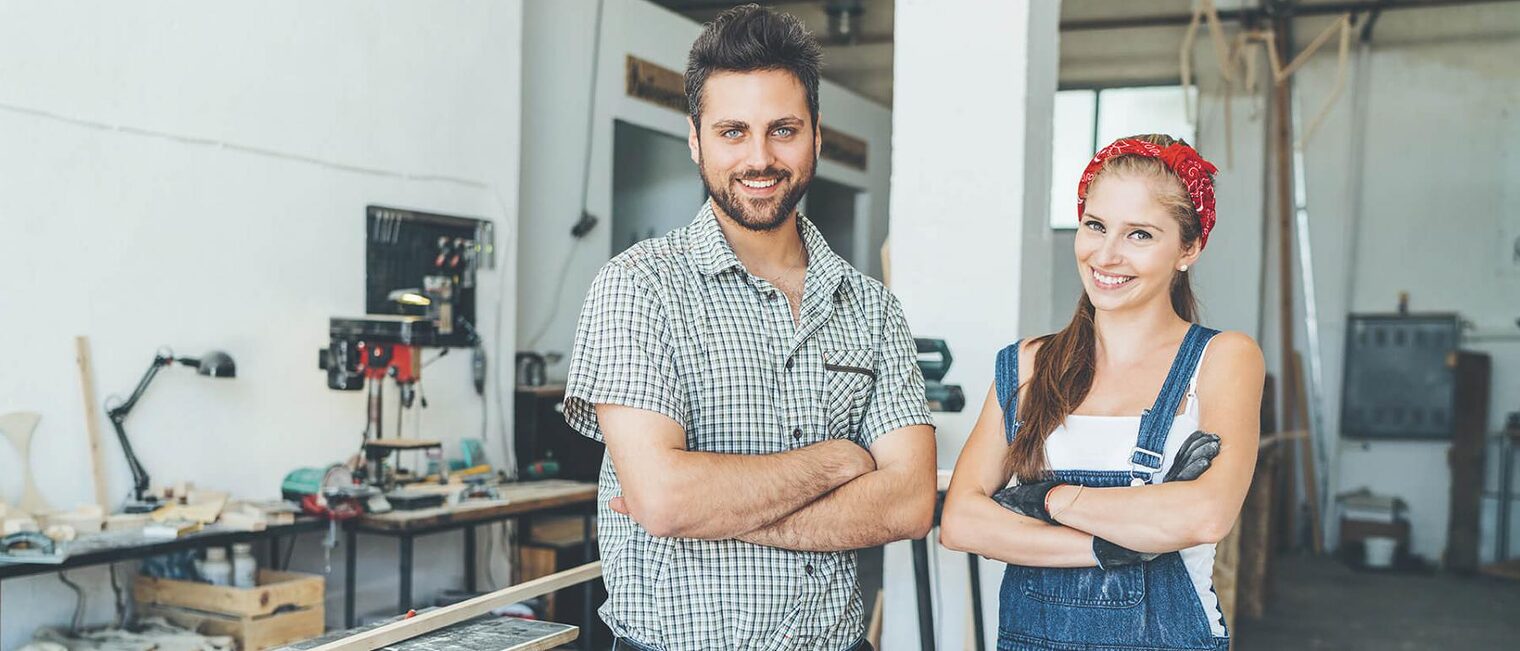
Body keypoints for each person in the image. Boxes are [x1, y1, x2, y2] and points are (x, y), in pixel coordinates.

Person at [562, 5, 936, 650]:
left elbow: (907, 504)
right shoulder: (638, 286)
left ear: (816, 134)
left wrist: (713, 512)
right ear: (695, 138)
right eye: (733, 131)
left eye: (782, 129)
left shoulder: (872, 308)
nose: (759, 157)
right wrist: (837, 462)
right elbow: (666, 501)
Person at [940, 134, 1264, 651]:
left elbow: (1205, 513)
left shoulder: (1222, 359)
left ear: (1189, 248)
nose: (1106, 255)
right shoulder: (1028, 365)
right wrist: (1112, 544)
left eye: (1139, 234)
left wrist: (1046, 499)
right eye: (1096, 225)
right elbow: (960, 521)